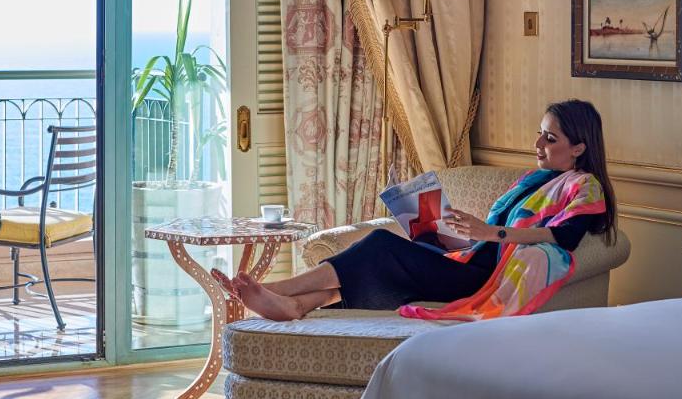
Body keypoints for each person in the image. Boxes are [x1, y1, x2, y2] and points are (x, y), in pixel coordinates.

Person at [212, 99, 616, 321]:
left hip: (479, 279)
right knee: (385, 255)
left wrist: (489, 233)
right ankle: (297, 304)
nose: (537, 144)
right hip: (465, 258)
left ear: (579, 147)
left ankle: (280, 290)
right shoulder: (532, 181)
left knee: (379, 246)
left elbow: (564, 237)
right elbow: (482, 237)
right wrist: (443, 226)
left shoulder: (584, 186)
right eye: (540, 134)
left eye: (550, 138)